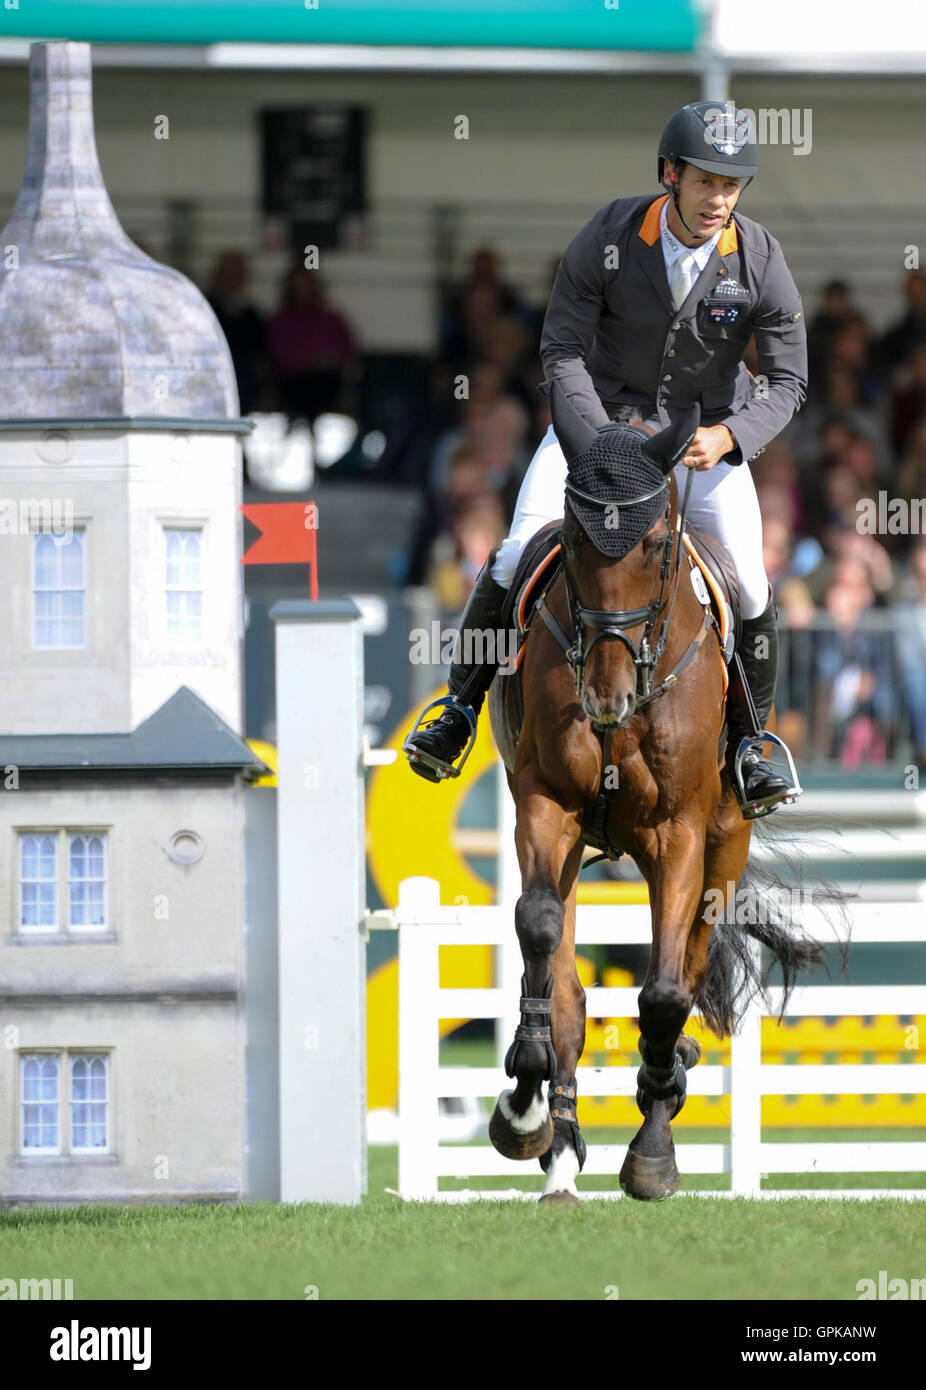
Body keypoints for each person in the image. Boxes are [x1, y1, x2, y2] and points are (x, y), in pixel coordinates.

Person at [405, 101, 807, 817]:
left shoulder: (760, 257)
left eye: (733, 185)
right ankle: (457, 709)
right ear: (670, 174)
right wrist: (597, 444)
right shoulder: (610, 235)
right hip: (596, 430)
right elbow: (560, 351)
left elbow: (787, 379)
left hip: (700, 441)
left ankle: (752, 746)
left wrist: (733, 437)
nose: (720, 199)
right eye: (707, 180)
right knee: (510, 558)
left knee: (748, 584)